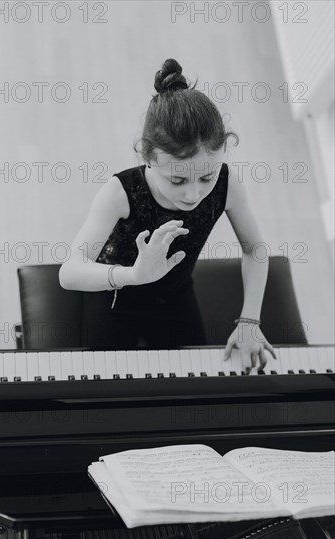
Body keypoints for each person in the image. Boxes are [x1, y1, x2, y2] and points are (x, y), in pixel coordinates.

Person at [59, 58, 276, 373]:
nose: (193, 194)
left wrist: (249, 321)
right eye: (177, 180)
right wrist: (133, 275)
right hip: (115, 296)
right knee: (107, 391)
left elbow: (255, 250)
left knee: (194, 387)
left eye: (206, 178)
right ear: (148, 157)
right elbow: (69, 272)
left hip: (174, 296)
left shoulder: (227, 184)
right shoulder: (120, 192)